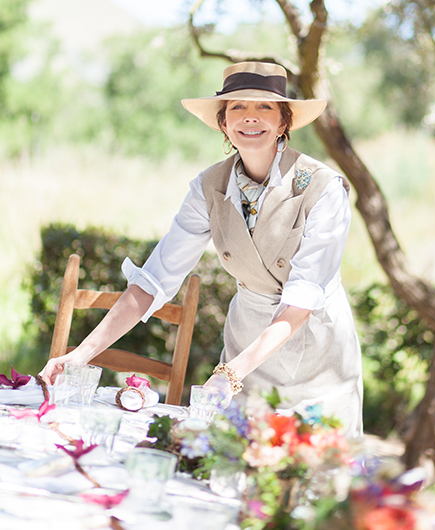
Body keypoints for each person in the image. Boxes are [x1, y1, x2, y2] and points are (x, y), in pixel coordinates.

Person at [40, 62, 363, 438]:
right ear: (223, 123)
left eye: (264, 107)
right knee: (230, 467)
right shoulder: (208, 186)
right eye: (237, 107)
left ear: (284, 121)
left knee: (310, 477)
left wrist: (229, 375)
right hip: (246, 348)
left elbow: (301, 303)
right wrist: (80, 354)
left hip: (319, 361)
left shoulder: (323, 188)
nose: (250, 117)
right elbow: (153, 281)